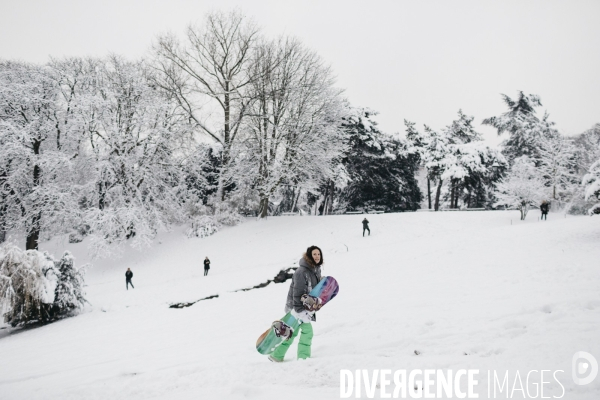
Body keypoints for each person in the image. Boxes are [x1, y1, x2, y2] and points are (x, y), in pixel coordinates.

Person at [269, 245, 323, 362]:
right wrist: (300, 311)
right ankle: (303, 358)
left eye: (318, 254)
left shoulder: (315, 269)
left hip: (303, 307)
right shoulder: (301, 272)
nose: (317, 256)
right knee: (307, 332)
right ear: (309, 256)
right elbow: (297, 292)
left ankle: (276, 355)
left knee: (292, 333)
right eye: (314, 254)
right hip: (296, 307)